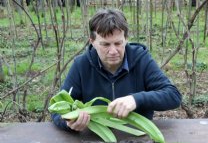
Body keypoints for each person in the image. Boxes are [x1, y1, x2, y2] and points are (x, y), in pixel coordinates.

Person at [51, 8, 182, 131]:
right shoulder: (81, 65)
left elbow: (173, 96)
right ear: (92, 41)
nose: (113, 51)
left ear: (126, 39)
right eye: (105, 44)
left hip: (138, 136)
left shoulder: (141, 59)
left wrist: (136, 99)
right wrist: (68, 123)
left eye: (118, 43)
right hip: (96, 140)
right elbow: (57, 108)